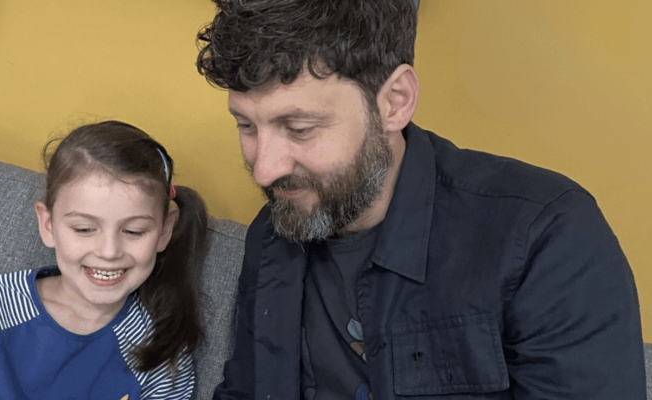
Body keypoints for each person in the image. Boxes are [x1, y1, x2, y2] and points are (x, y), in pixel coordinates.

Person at [196, 0, 646, 399]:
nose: (264, 169)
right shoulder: (274, 232)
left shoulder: (547, 237)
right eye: (246, 126)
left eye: (299, 129)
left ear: (394, 102)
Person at [0, 121, 208, 399]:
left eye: (134, 231)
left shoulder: (161, 346)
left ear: (165, 230)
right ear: (48, 225)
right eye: (84, 229)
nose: (108, 251)